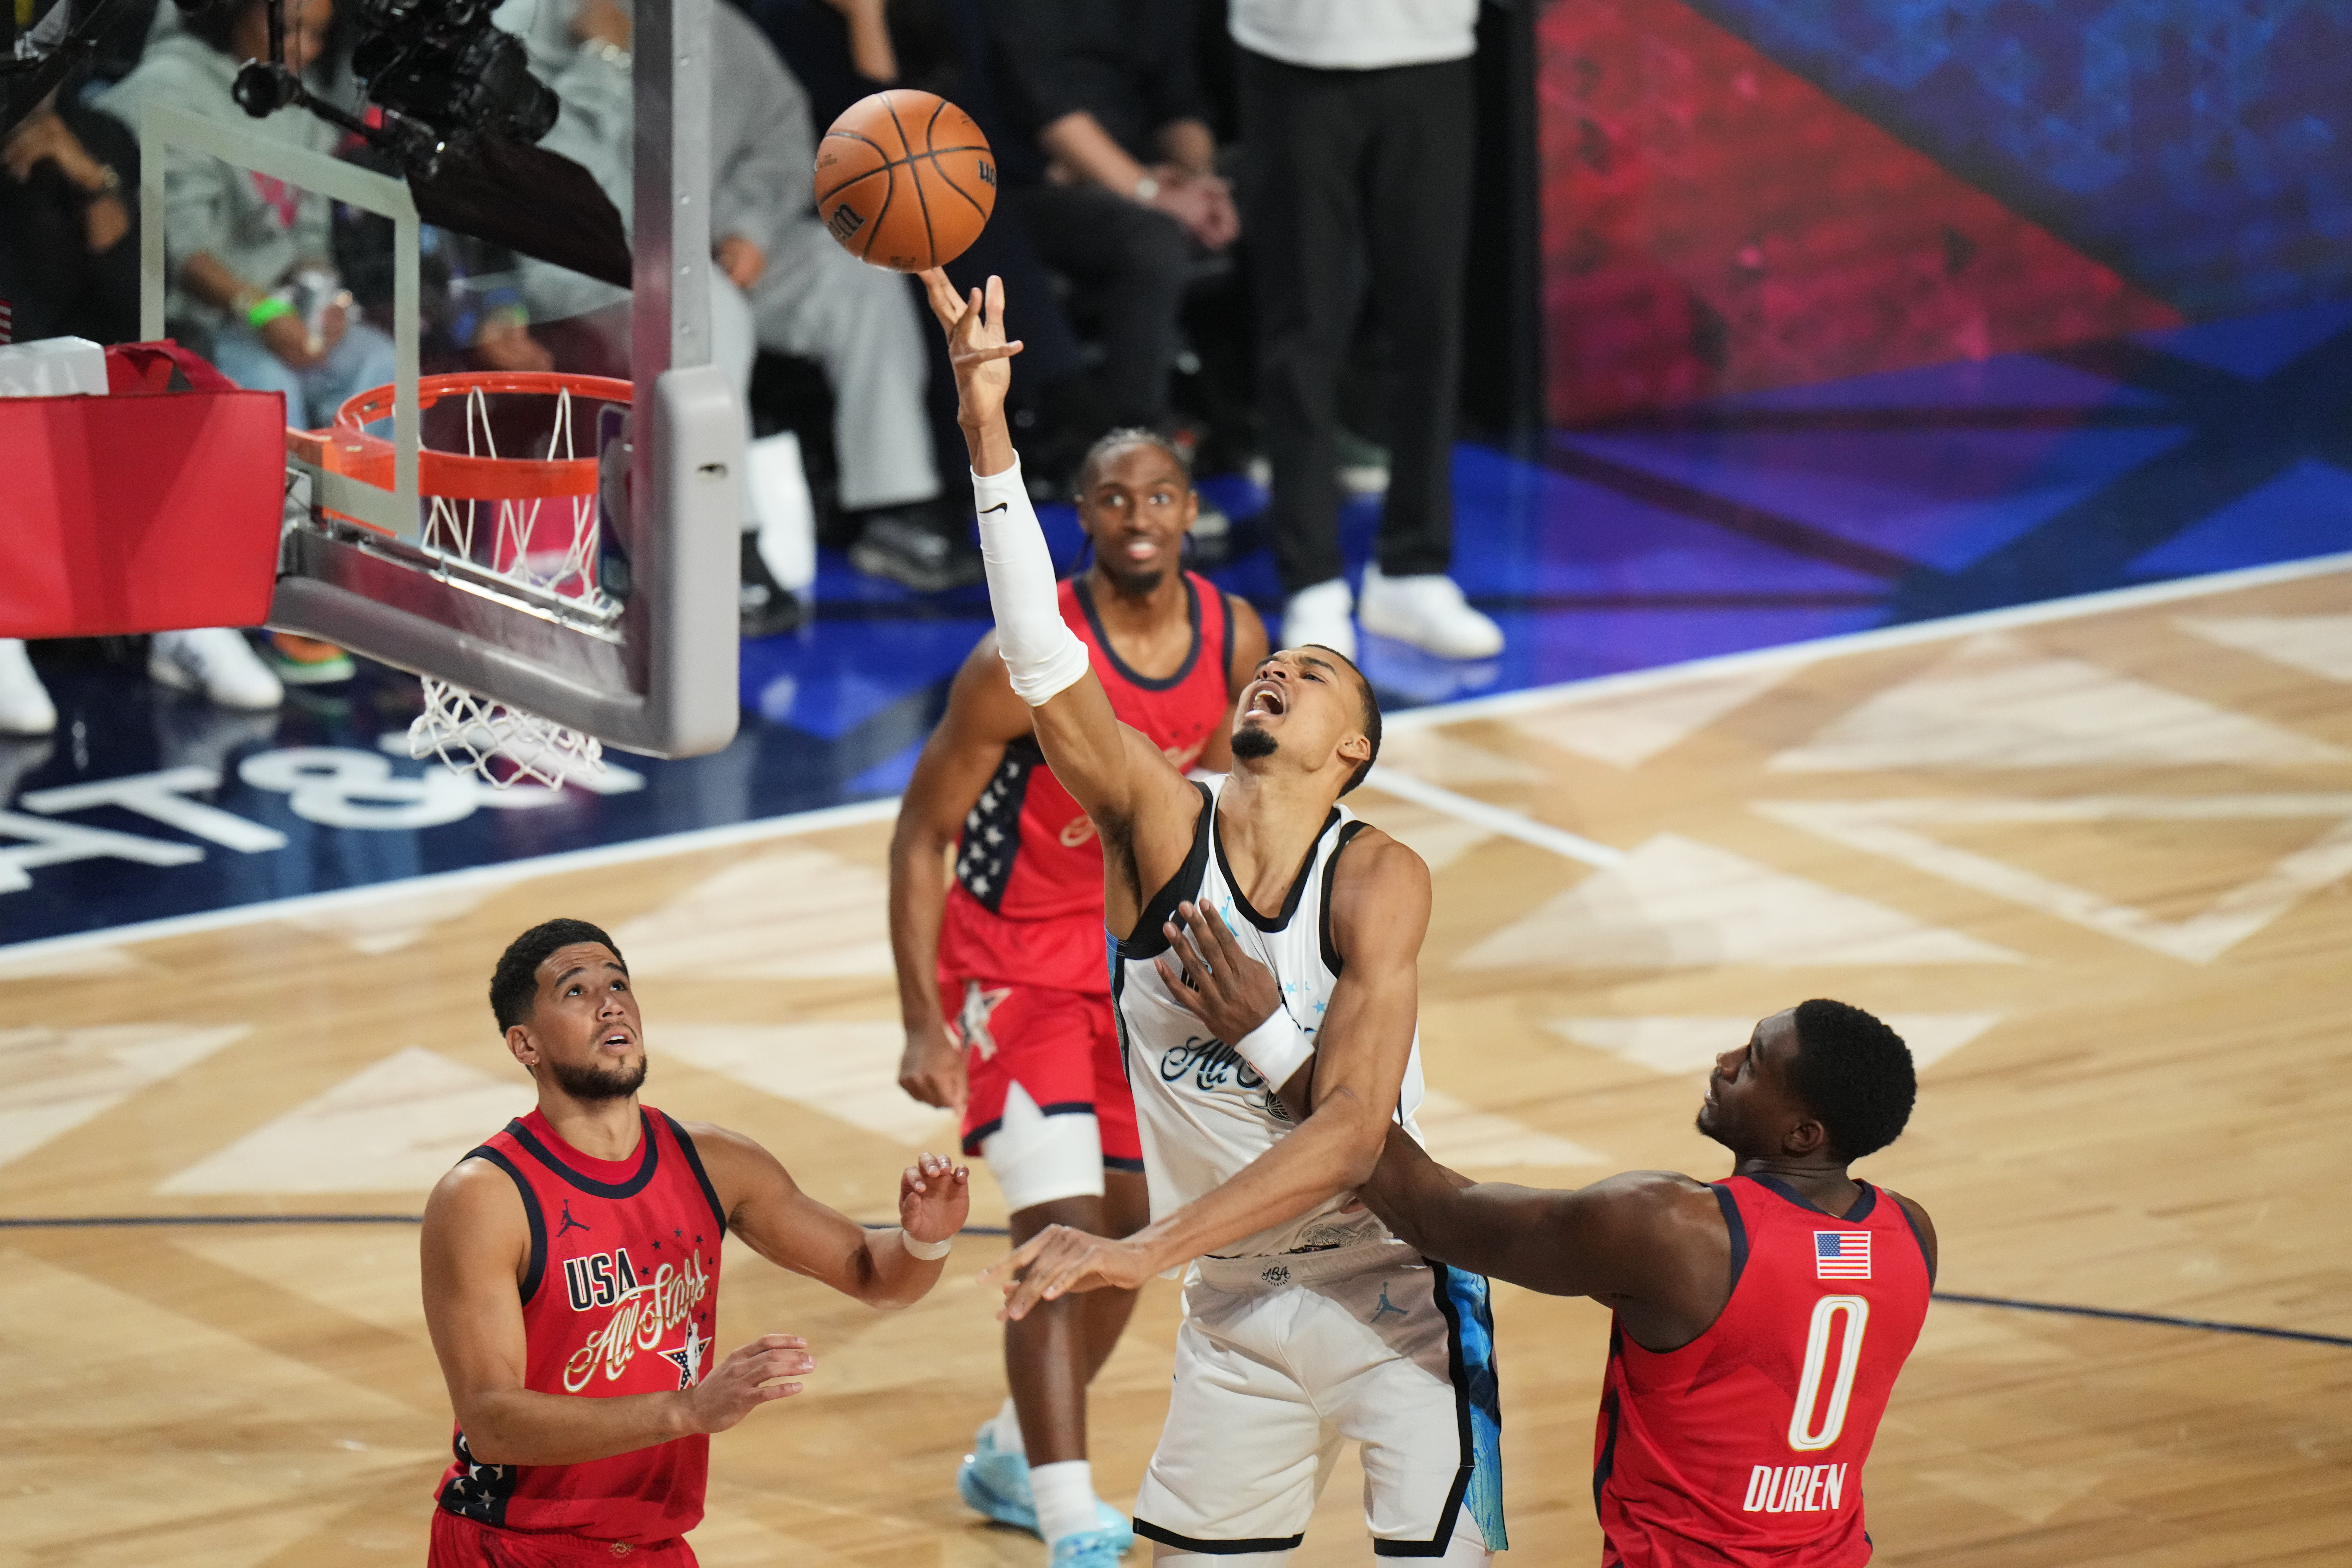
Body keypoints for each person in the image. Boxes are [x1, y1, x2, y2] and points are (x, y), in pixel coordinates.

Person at [925, 269, 1501, 1565]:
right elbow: (1041, 657)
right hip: (1236, 1305)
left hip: (1392, 1285)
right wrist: (985, 430)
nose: (1280, 666)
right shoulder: (1155, 825)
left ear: (1351, 751)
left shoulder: (1379, 875)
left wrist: (1144, 1244)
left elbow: (1352, 1131)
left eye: (1317, 673)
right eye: (1277, 661)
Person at [889, 427, 1267, 1558]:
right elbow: (923, 832)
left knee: (1136, 1236)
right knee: (1062, 1226)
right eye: (1113, 497)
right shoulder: (1018, 656)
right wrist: (921, 1018)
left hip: (1134, 964)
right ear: (1083, 514)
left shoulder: (1234, 636)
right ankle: (1068, 1520)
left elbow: (1219, 814)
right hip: (1010, 965)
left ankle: (1013, 1455)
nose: (1137, 515)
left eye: (1159, 495)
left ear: (1190, 508)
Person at [421, 917, 971, 1567]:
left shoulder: (714, 1161)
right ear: (526, 1044)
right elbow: (491, 1422)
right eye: (576, 992)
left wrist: (924, 1241)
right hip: (512, 1546)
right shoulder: (485, 1197)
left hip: (654, 1547)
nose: (610, 1005)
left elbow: (878, 1279)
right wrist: (687, 1410)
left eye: (618, 984)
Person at [1352, 1002, 1935, 1567]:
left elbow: (1434, 1218)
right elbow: (1484, 1223)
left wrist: (1316, 1072)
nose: (1725, 1060)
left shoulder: (1674, 1231)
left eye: (1752, 1064)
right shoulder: (1910, 1233)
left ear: (1804, 1134)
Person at [513, 0, 964, 597]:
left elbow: (782, 134)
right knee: (703, 301)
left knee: (856, 274)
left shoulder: (704, 21)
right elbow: (580, 193)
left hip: (709, 246)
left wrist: (750, 227)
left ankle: (896, 501)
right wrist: (605, 60)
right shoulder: (525, 29)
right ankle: (725, 540)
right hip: (589, 266)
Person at [96, 0, 385, 707]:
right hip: (190, 319)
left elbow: (310, 228)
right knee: (265, 391)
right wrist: (259, 309)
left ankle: (354, 578)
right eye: (288, 27)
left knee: (377, 371)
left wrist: (322, 298)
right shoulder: (171, 84)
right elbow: (178, 244)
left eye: (317, 34)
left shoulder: (299, 99)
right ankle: (270, 601)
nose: (302, 48)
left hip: (278, 308)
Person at [1230, 0, 1503, 662]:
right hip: (1291, 53)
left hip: (1432, 48)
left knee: (1429, 324)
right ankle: (1311, 579)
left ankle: (1413, 567)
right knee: (1302, 328)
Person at [984, 0, 1239, 439]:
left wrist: (1201, 186)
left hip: (1142, 172)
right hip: (1030, 182)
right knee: (1151, 241)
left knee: (1278, 195)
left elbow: (1179, 105)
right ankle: (1132, 440)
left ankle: (1249, 418)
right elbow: (1047, 111)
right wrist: (1150, 191)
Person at [0, 91, 144, 734]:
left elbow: (130, 297)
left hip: (73, 350)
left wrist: (89, 179)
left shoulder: (103, 135)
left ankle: (184, 624)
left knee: (168, 382)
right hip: (14, 356)